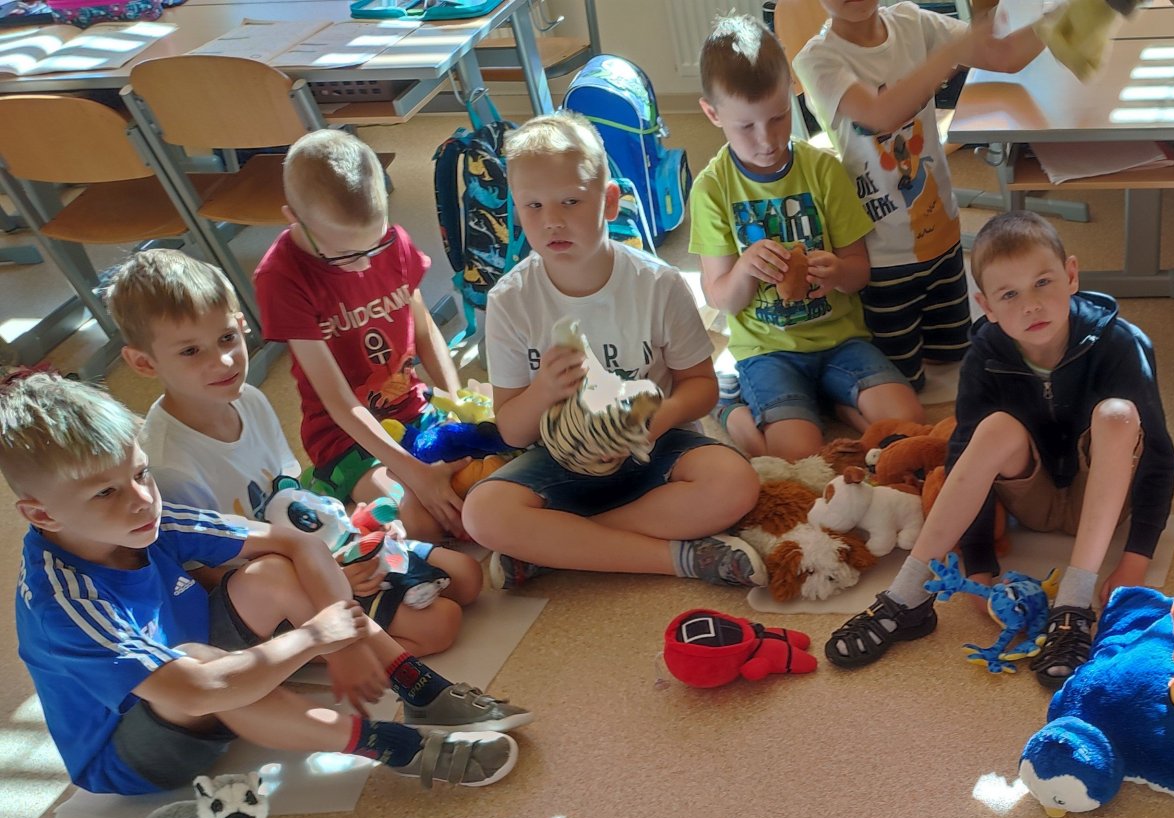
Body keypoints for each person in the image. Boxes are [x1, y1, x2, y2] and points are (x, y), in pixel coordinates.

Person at [1, 370, 523, 797]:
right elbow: (198, 688)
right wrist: (315, 637)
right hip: (136, 749)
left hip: (198, 669)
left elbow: (298, 543)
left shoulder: (145, 520)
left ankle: (418, 686)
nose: (141, 500)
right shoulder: (63, 601)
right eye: (105, 493)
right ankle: (397, 746)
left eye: (141, 474)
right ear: (41, 514)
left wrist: (345, 646)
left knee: (271, 571)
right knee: (200, 664)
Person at [823, 210, 1174, 687]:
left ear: (1072, 275)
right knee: (993, 429)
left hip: (1106, 500)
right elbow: (963, 459)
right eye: (1009, 294)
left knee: (1117, 415)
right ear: (985, 305)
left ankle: (1073, 605)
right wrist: (979, 561)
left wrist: (1136, 559)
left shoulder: (1121, 343)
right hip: (1029, 495)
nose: (1031, 306)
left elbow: (1159, 456)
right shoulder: (985, 356)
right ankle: (907, 596)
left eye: (1043, 283)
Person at [107, 250, 484, 659]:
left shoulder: (249, 399)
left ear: (241, 324)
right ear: (143, 362)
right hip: (274, 583)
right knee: (440, 625)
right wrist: (328, 576)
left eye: (227, 338)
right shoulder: (168, 466)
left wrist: (357, 526)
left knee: (466, 576)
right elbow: (208, 577)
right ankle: (302, 657)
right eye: (190, 352)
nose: (223, 361)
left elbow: (289, 494)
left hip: (315, 550)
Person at [460, 112, 765, 592]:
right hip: (563, 459)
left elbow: (702, 388)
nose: (552, 220)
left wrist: (653, 423)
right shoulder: (510, 300)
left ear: (608, 201)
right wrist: (543, 391)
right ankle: (678, 558)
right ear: (516, 210)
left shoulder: (658, 284)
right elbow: (512, 429)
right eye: (533, 205)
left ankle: (560, 546)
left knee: (736, 483)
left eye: (570, 201)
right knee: (482, 513)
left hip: (655, 448)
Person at [689, 14, 923, 462]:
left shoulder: (823, 170)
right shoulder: (712, 189)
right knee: (796, 456)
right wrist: (745, 268)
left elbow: (859, 271)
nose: (767, 140)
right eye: (746, 126)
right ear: (713, 114)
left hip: (842, 341)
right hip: (767, 351)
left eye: (779, 118)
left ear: (791, 92)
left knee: (907, 420)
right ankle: (731, 409)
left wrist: (838, 273)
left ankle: (839, 407)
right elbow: (721, 299)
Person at [792, 0, 1043, 391]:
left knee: (955, 359)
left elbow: (1005, 55)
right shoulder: (817, 60)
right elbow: (880, 114)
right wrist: (951, 52)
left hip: (942, 237)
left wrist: (1075, 15)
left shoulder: (911, 21)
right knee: (903, 383)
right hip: (881, 257)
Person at [252, 129, 473, 542]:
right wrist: (415, 475)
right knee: (421, 521)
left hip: (413, 407)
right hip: (345, 438)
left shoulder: (393, 242)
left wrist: (457, 403)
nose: (363, 265)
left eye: (375, 244)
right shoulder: (281, 277)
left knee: (484, 477)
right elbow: (338, 401)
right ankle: (336, 504)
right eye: (344, 254)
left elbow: (425, 330)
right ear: (293, 217)